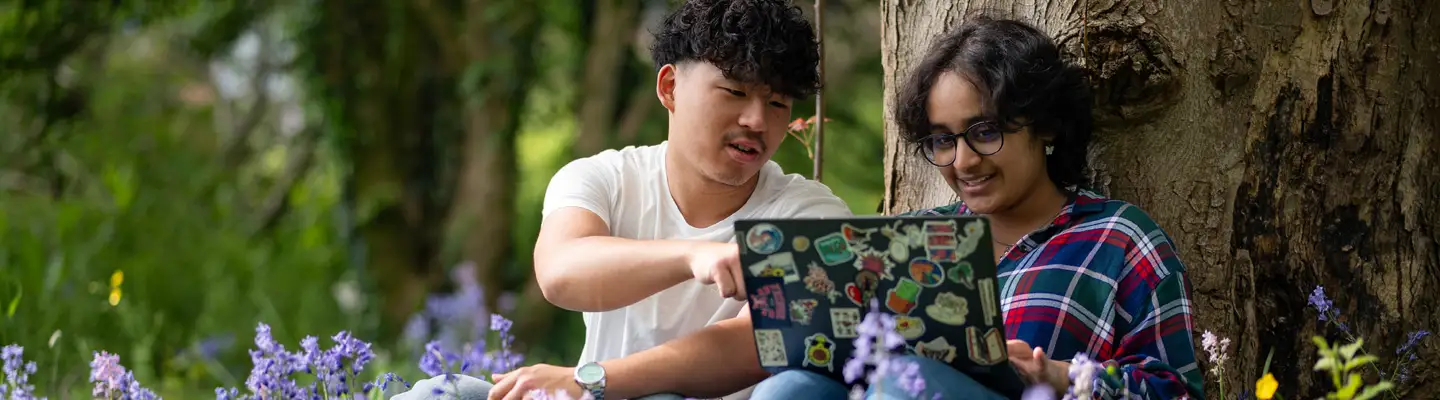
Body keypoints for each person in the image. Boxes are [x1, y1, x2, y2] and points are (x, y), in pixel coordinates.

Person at [392, 1, 853, 399]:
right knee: (439, 392)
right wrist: (693, 254)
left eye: (777, 105)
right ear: (670, 88)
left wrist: (591, 380)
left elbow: (754, 343)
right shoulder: (602, 178)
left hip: (606, 389)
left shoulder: (810, 215)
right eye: (735, 92)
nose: (757, 120)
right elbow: (561, 271)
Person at [747, 15, 1204, 400]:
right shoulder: (910, 238)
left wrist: (1062, 377)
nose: (963, 161)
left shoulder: (1118, 238)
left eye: (985, 131)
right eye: (944, 140)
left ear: (1044, 125)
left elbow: (1179, 390)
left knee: (908, 384)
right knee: (786, 389)